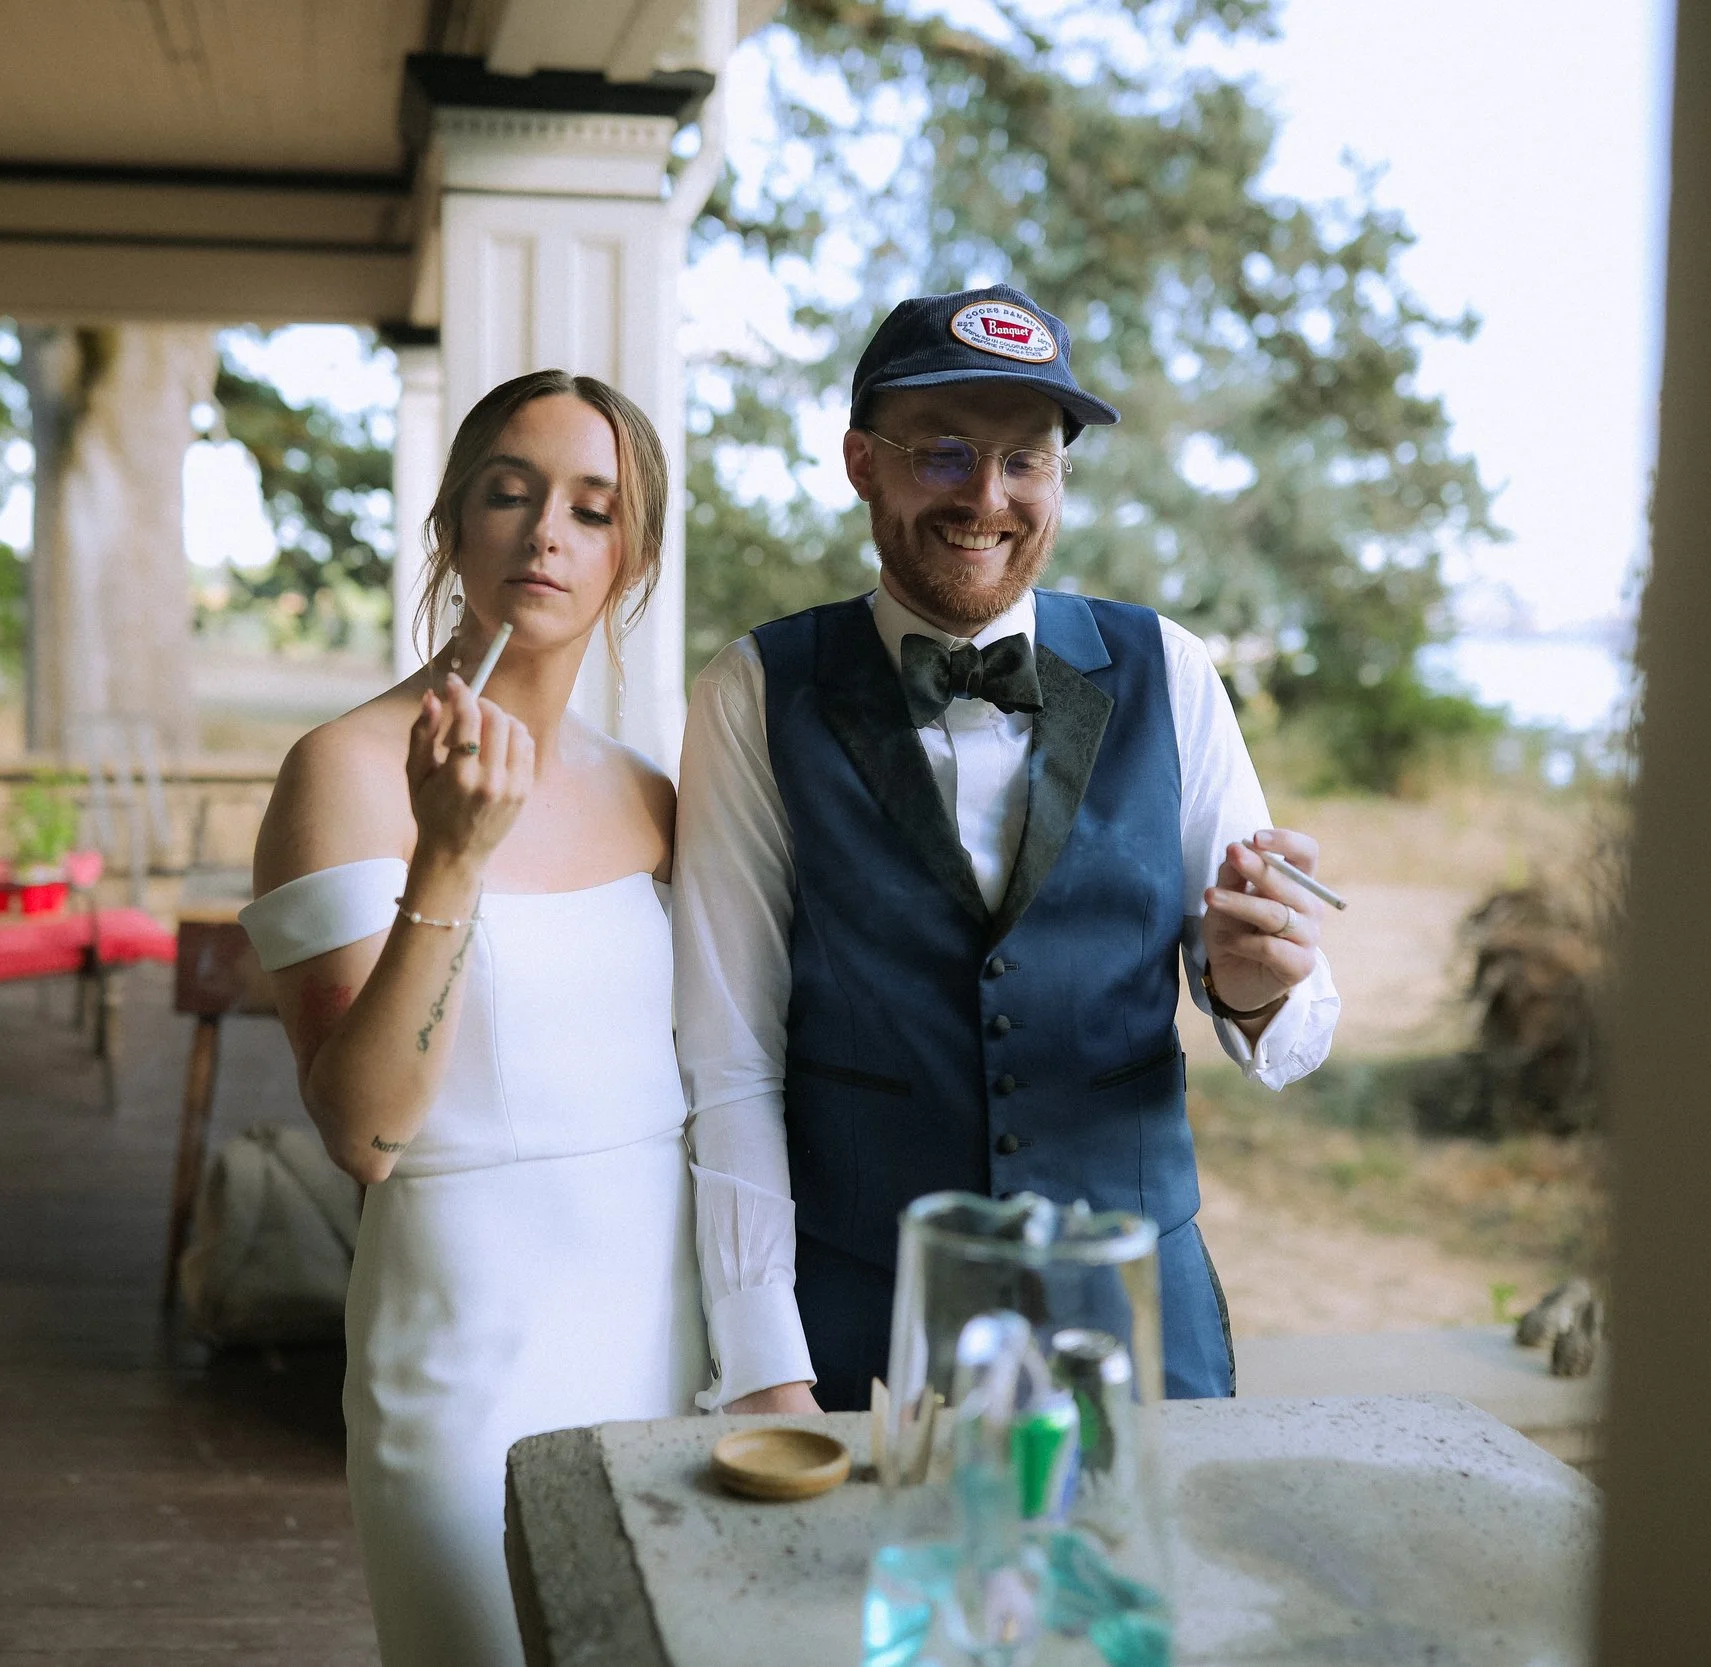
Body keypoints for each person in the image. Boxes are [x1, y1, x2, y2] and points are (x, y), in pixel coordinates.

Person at [673, 284, 1343, 1415]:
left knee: (1139, 1594)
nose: (986, 497)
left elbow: (1292, 1023)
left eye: (1025, 461)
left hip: (1132, 1327)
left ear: (1059, 478)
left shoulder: (1167, 669)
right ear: (860, 463)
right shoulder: (756, 690)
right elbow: (729, 1056)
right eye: (942, 453)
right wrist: (761, 1360)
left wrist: (1260, 987)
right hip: (867, 1326)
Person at [241, 370, 705, 1666]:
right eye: (510, 492)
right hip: (468, 1360)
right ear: (451, 528)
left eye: (592, 507)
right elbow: (365, 1129)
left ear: (633, 559)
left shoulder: (656, 796)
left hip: (666, 1338)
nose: (547, 529)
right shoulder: (343, 769)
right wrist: (451, 857)